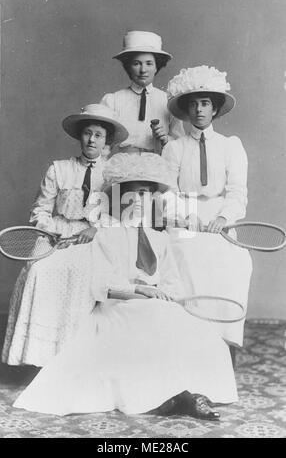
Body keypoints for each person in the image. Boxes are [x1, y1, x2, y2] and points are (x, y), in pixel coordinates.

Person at [12, 153, 238, 420]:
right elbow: (101, 286)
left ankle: (184, 392)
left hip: (155, 304)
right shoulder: (106, 234)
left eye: (146, 194)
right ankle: (180, 396)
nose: (140, 201)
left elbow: (172, 281)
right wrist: (139, 290)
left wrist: (167, 295)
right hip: (120, 307)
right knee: (149, 324)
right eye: (133, 194)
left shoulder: (159, 238)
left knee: (196, 330)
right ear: (121, 197)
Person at [2, 104, 129, 366]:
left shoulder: (114, 174)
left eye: (98, 135)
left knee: (84, 274)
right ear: (79, 136)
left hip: (96, 237)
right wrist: (49, 233)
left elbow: (119, 216)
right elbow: (41, 209)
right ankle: (40, 357)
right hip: (56, 236)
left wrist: (96, 229)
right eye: (87, 133)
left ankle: (75, 360)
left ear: (107, 141)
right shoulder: (59, 169)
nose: (91, 140)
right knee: (39, 270)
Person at [162, 66, 253, 357]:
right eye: (193, 104)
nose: (199, 110)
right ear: (186, 110)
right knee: (183, 256)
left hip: (219, 218)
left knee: (235, 260)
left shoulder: (231, 146)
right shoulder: (174, 149)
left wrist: (223, 218)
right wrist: (186, 215)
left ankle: (224, 345)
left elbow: (237, 191)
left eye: (205, 104)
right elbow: (167, 191)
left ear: (214, 109)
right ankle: (190, 345)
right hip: (184, 220)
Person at [101, 30, 185, 155]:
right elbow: (102, 142)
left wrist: (166, 139)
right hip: (122, 167)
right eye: (136, 64)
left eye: (149, 63)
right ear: (128, 66)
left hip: (158, 167)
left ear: (157, 66)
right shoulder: (113, 100)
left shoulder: (168, 101)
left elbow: (180, 143)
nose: (143, 70)